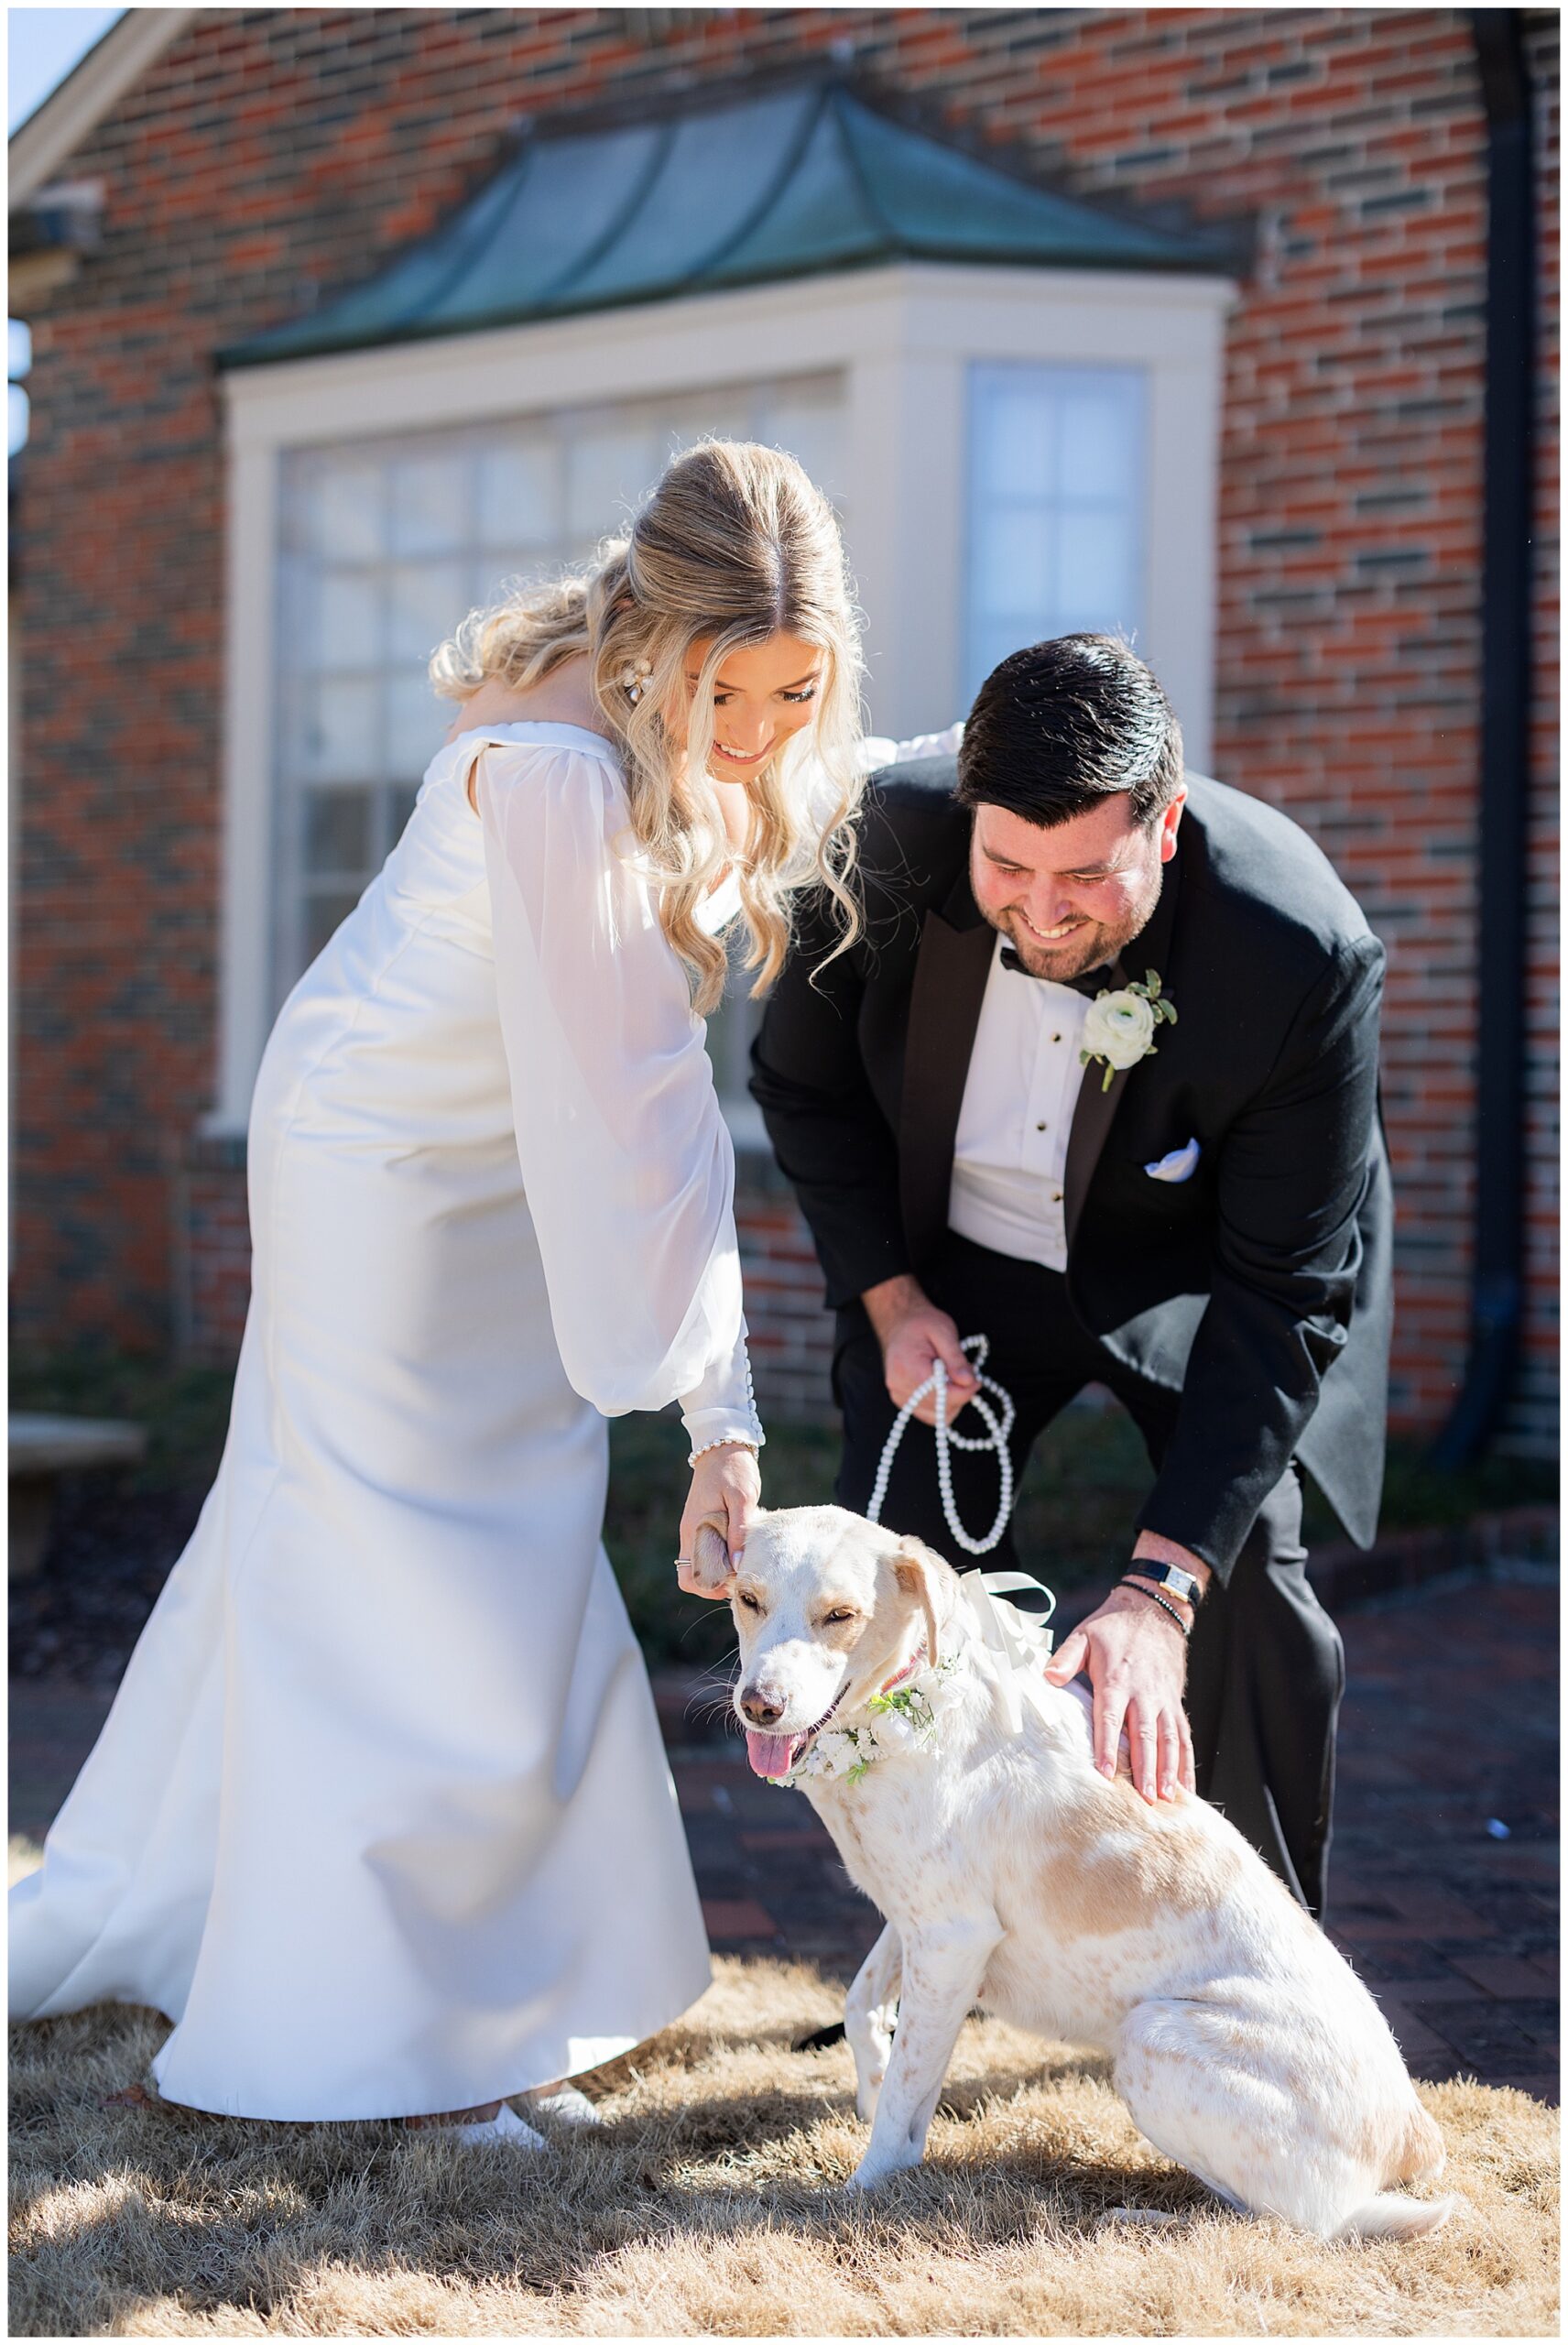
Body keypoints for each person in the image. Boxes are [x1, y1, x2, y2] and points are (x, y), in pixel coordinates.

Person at [9, 439, 892, 2134]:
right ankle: (392, 2038)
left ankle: (496, 1999)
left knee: (526, 1536)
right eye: (737, 693)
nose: (765, 736)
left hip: (514, 1137)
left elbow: (631, 1103)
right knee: (413, 1570)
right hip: (391, 1166)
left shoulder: (663, 716)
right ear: (658, 640)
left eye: (799, 694)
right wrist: (724, 1418)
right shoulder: (564, 769)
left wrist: (713, 1413)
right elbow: (641, 1111)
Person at [751, 634, 1392, 1922]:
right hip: (951, 1276)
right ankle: (925, 1930)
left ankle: (1247, 1954)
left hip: (1198, 1281)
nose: (1044, 914)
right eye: (1008, 867)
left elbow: (1287, 1292)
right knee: (884, 1572)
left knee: (1245, 1578)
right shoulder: (874, 847)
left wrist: (1157, 1591)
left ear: (1167, 823)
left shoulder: (1298, 953)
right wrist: (889, 1300)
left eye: (1088, 877)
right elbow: (802, 1087)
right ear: (967, 820)